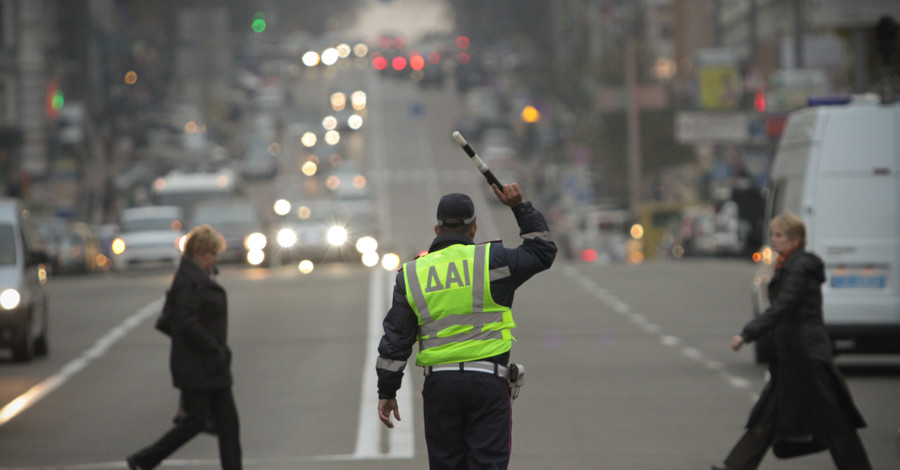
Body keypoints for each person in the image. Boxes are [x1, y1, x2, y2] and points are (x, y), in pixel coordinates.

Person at [376, 183, 556, 469]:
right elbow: (543, 250)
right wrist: (519, 206)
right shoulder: (493, 262)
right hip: (487, 383)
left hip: (440, 387)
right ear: (473, 229)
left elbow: (395, 342)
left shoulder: (412, 275)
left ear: (437, 230)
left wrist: (387, 392)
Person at [712, 213, 871, 470]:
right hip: (792, 355)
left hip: (807, 356)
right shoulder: (788, 264)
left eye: (779, 235)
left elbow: (784, 306)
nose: (773, 240)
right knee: (769, 414)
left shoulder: (799, 267)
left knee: (833, 419)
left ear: (795, 239)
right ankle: (736, 465)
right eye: (773, 234)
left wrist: (747, 334)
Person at [127, 225, 242, 470]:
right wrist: (212, 346)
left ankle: (145, 460)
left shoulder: (202, 276)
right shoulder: (188, 281)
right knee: (195, 422)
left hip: (212, 364)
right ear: (199, 254)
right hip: (198, 365)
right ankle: (144, 459)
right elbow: (185, 321)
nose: (217, 258)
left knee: (228, 424)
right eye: (212, 254)